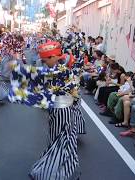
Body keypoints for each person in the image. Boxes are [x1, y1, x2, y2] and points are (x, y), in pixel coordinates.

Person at [9, 41, 81, 179]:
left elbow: (36, 75)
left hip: (62, 110)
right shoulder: (64, 68)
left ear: (54, 56)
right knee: (63, 139)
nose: (44, 62)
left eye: (46, 59)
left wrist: (16, 69)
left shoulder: (59, 69)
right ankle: (66, 169)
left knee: (60, 140)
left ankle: (54, 172)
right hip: (64, 108)